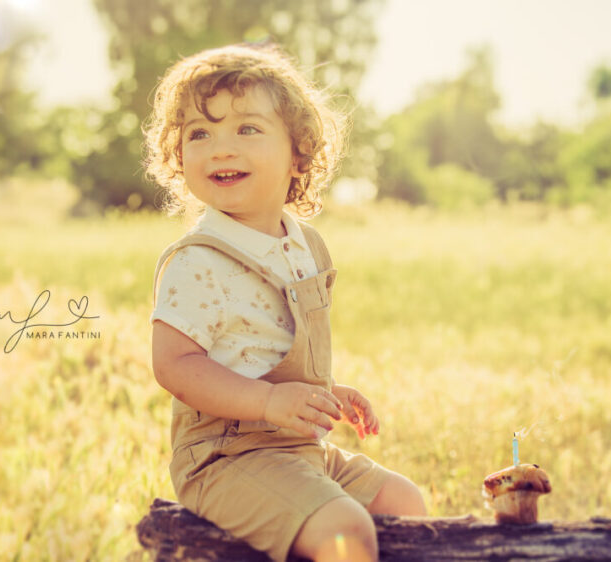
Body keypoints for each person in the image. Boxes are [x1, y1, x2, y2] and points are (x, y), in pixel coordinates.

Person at [145, 43, 426, 562]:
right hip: (226, 458)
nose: (221, 149)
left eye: (247, 129)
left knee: (404, 502)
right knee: (346, 530)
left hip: (299, 450)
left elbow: (265, 350)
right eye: (199, 133)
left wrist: (324, 392)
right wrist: (268, 403)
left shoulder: (303, 245)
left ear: (298, 154)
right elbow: (174, 365)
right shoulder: (198, 259)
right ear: (178, 155)